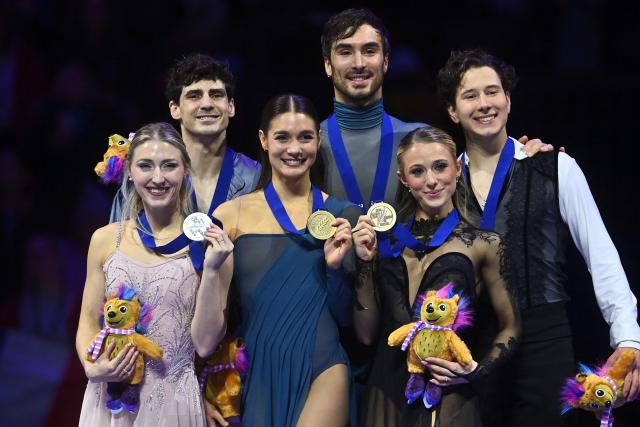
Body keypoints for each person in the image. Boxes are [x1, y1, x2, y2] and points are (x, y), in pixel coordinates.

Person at [437, 49, 640, 426]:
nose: (484, 104)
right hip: (473, 348)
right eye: (470, 95)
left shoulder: (556, 168)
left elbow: (602, 256)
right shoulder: (442, 187)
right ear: (452, 110)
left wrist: (628, 338)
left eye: (493, 92)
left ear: (509, 100)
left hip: (545, 343)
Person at [351, 126, 520, 426]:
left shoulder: (484, 244)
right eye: (418, 171)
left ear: (456, 169)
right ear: (403, 179)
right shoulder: (385, 241)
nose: (431, 180)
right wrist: (364, 262)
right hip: (385, 394)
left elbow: (511, 326)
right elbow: (366, 334)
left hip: (449, 395)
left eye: (440, 167)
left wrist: (475, 371)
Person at [210, 94, 360, 427]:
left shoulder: (342, 215)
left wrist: (335, 270)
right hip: (256, 371)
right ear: (263, 140)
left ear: (318, 141)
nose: (294, 148)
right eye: (282, 137)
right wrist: (206, 381)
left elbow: (348, 318)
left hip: (323, 363)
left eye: (305, 137)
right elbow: (215, 316)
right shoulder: (230, 216)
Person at [76, 122, 232, 426]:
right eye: (145, 166)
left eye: (169, 166)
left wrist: (211, 271)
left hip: (173, 401)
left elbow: (205, 344)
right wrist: (90, 366)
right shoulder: (106, 239)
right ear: (130, 171)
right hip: (109, 400)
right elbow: (87, 320)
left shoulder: (209, 244)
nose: (157, 178)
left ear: (185, 170)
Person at [110, 53, 260, 222]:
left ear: (231, 107)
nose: (207, 104)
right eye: (194, 96)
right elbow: (116, 244)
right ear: (175, 109)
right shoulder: (146, 180)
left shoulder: (256, 177)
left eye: (216, 95)